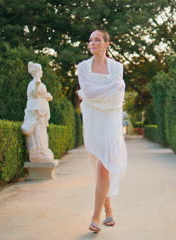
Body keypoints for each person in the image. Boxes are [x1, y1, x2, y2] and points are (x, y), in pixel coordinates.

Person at [76, 30, 127, 233]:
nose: (92, 42)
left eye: (97, 39)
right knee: (99, 165)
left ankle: (95, 216)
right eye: (90, 39)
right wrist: (108, 88)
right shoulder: (82, 67)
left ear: (107, 43)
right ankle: (109, 211)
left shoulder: (117, 67)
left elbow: (116, 97)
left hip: (111, 122)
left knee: (104, 167)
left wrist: (94, 94)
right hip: (93, 121)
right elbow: (87, 92)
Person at [21, 62, 54, 162]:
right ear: (37, 72)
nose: (42, 72)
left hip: (42, 111)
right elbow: (35, 94)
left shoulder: (41, 83)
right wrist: (36, 84)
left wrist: (47, 96)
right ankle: (38, 152)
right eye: (40, 71)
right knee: (37, 132)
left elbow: (42, 95)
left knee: (42, 131)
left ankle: (43, 149)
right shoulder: (33, 83)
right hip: (36, 110)